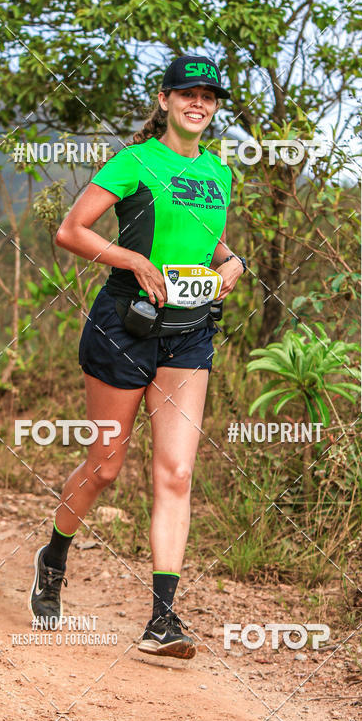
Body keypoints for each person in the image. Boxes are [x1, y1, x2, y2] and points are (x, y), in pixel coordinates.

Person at [29, 54, 246, 659]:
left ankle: (163, 620)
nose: (198, 104)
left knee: (175, 474)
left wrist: (230, 261)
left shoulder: (219, 172)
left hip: (189, 332)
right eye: (187, 94)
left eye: (208, 96)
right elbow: (72, 230)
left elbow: (204, 238)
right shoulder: (135, 161)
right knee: (104, 469)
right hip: (125, 326)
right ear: (165, 99)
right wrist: (132, 260)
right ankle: (54, 555)